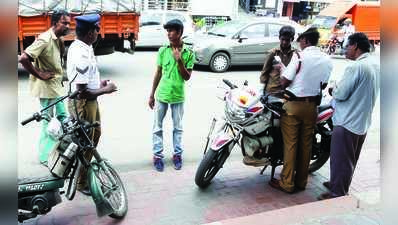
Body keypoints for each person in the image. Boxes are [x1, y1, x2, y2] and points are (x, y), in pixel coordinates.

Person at [269, 27, 333, 193]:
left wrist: (281, 73)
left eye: (300, 40)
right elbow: (324, 85)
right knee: (306, 146)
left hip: (293, 106)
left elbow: (285, 82)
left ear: (305, 40)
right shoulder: (327, 59)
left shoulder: (300, 56)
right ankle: (301, 183)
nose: (299, 42)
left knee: (290, 145)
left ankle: (287, 183)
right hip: (312, 108)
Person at [318, 33, 379, 200]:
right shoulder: (374, 63)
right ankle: (338, 184)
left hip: (347, 121)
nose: (344, 50)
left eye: (347, 47)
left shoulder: (355, 67)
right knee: (349, 158)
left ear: (356, 46)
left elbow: (341, 93)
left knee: (341, 159)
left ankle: (338, 192)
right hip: (361, 120)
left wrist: (333, 88)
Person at [67, 14, 117, 195]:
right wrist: (107, 89)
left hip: (89, 101)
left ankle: (83, 176)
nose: (99, 31)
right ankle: (81, 183)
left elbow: (87, 82)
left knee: (94, 137)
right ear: (89, 32)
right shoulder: (80, 53)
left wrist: (99, 84)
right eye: (97, 28)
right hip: (83, 103)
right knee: (87, 143)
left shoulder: (84, 47)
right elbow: (81, 92)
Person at [19, 10, 71, 165]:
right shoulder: (44, 39)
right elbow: (24, 58)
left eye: (69, 23)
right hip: (47, 90)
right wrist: (39, 74)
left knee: (63, 118)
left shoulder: (58, 39)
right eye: (65, 23)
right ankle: (45, 156)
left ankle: (60, 150)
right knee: (47, 122)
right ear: (55, 23)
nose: (67, 26)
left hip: (57, 87)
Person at [243, 25, 297, 167]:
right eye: (283, 39)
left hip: (286, 94)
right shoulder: (272, 53)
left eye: (288, 40)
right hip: (271, 93)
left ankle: (278, 153)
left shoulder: (295, 54)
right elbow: (264, 73)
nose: (285, 42)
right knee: (267, 123)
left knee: (282, 126)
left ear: (292, 39)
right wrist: (262, 91)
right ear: (279, 38)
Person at [148, 19, 195, 172]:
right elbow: (158, 73)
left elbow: (187, 77)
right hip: (162, 94)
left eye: (171, 31)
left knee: (178, 128)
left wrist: (179, 60)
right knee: (157, 127)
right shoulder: (163, 50)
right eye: (167, 31)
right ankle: (157, 156)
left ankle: (177, 155)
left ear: (180, 32)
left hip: (178, 96)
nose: (168, 34)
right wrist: (151, 94)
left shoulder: (189, 53)